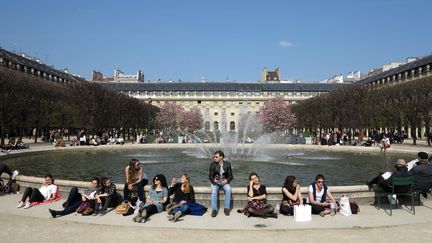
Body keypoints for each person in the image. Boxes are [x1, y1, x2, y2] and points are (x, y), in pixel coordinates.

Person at [209, 150, 233, 217]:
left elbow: (231, 176)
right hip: (216, 183)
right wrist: (214, 180)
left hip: (224, 182)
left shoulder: (227, 164)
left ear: (221, 157)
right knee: (214, 191)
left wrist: (226, 181)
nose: (214, 158)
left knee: (228, 189)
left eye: (216, 157)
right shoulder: (212, 164)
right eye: (214, 157)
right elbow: (210, 176)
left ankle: (226, 208)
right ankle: (214, 210)